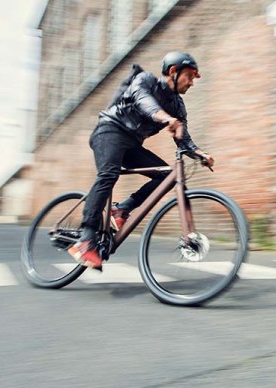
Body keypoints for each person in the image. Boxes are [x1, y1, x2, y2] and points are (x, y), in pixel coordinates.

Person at [68, 51, 214, 268]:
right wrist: (166, 119)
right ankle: (86, 239)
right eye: (190, 76)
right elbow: (144, 101)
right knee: (109, 173)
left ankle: (122, 209)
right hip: (109, 132)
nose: (192, 82)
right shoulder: (144, 80)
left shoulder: (177, 105)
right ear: (173, 72)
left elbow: (184, 140)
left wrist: (199, 153)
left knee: (166, 176)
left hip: (132, 145)